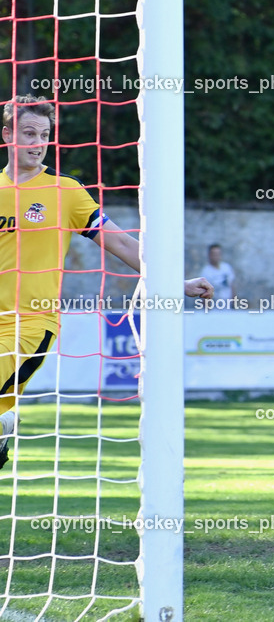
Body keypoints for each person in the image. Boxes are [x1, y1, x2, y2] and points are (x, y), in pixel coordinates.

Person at [0, 94, 214, 468]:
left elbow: (120, 241)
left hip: (30, 325)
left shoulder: (64, 192)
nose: (37, 144)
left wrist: (173, 282)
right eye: (29, 134)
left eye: (44, 135)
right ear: (7, 135)